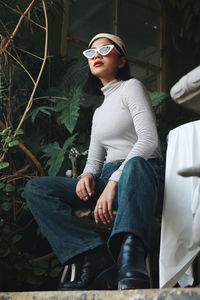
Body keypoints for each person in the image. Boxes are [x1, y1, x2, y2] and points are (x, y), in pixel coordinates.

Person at [24, 33, 164, 291]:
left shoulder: (131, 87)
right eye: (90, 52)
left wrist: (113, 182)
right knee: (37, 189)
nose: (96, 55)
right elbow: (95, 159)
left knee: (133, 166)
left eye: (105, 49)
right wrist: (88, 175)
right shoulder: (99, 112)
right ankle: (92, 255)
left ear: (121, 61)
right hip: (109, 180)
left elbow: (149, 141)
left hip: (140, 175)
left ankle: (130, 261)